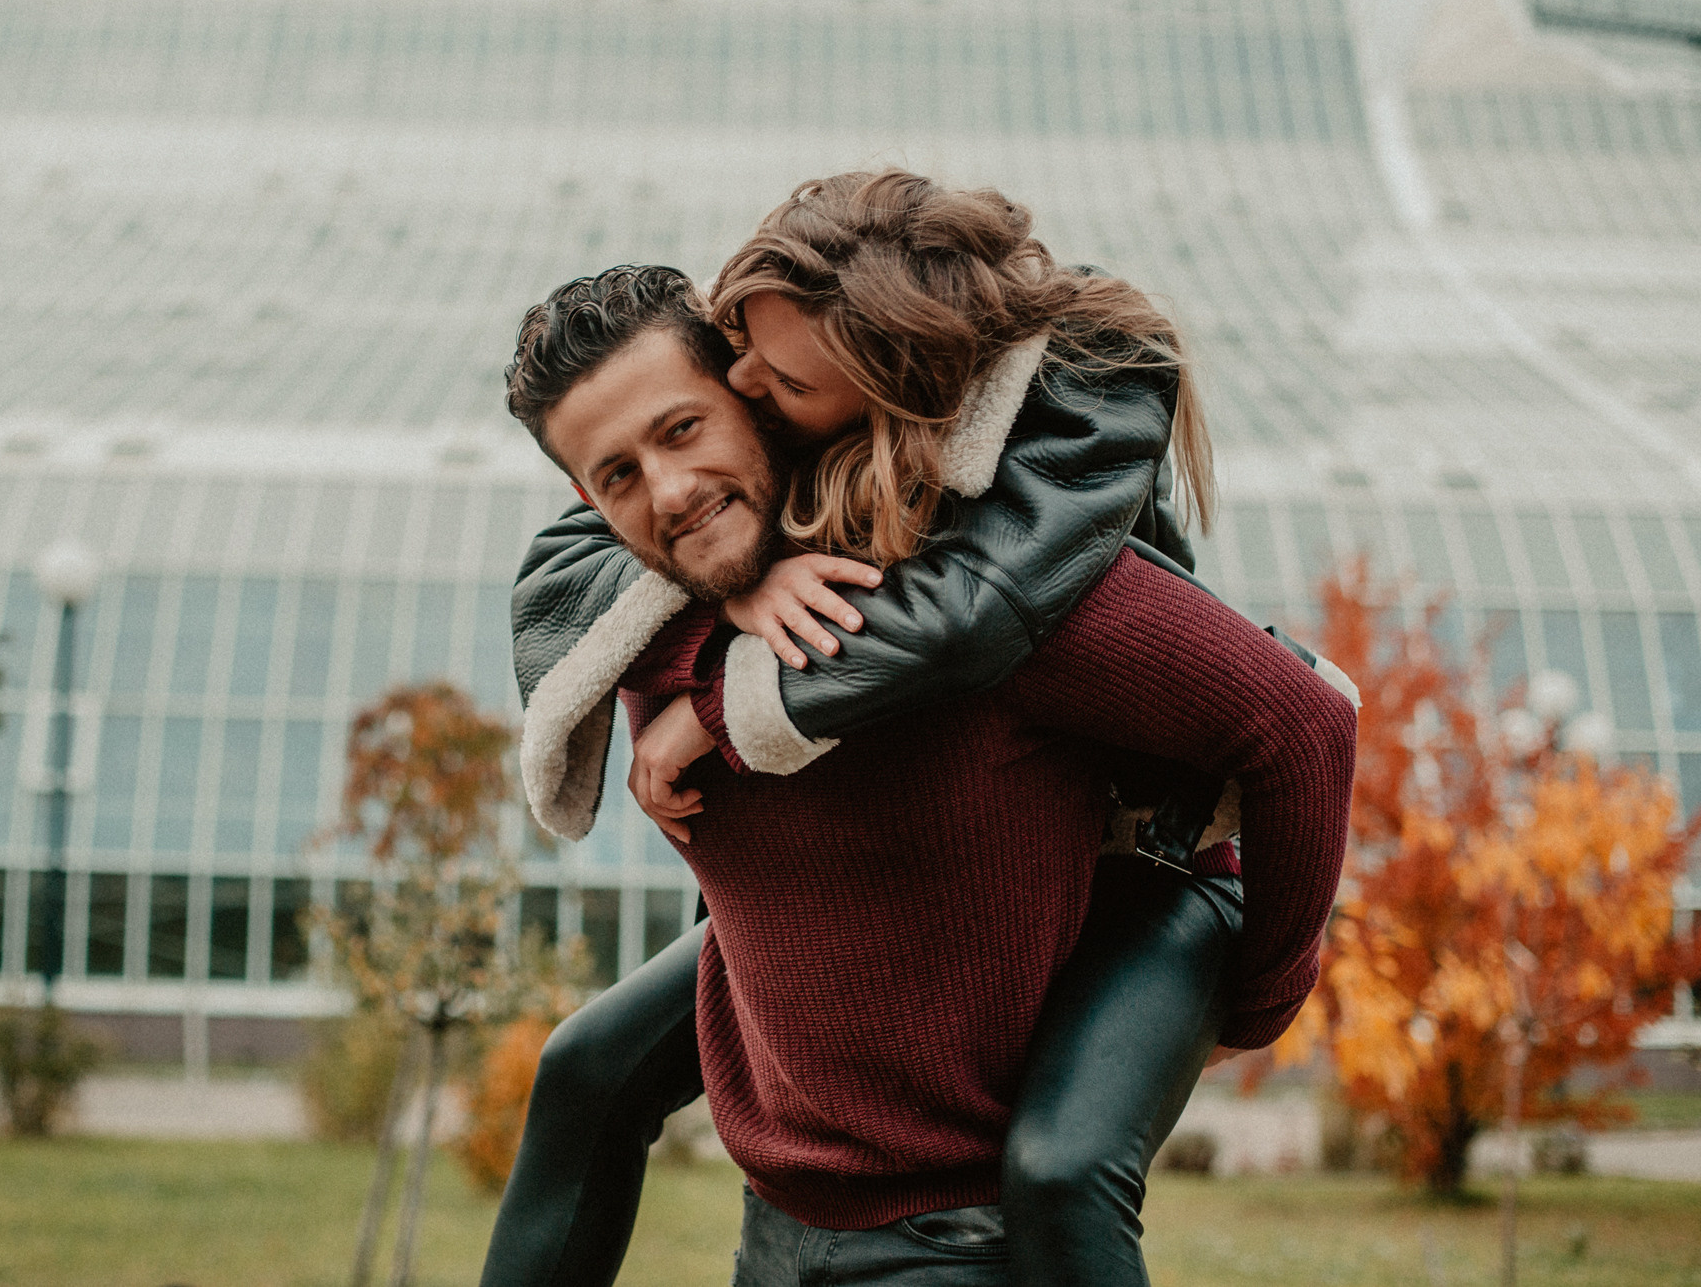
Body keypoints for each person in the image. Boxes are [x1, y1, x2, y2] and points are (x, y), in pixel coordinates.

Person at [484, 175, 1356, 1285]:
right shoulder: (659, 598)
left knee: (1062, 1166)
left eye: (683, 427)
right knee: (586, 1071)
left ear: (759, 400)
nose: (668, 489)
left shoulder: (1000, 572)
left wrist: (1258, 1000)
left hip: (952, 1240)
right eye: (616, 475)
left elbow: (1302, 724)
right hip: (778, 1229)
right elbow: (560, 586)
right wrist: (717, 646)